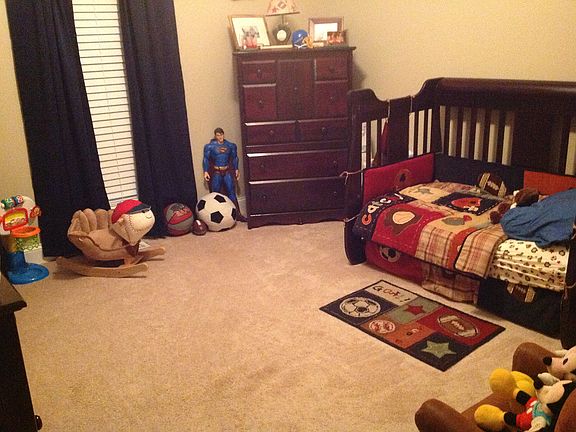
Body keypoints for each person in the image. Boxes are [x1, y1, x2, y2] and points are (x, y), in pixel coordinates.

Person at [203, 128, 247, 222]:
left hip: (226, 171)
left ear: (223, 134)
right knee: (215, 193)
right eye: (218, 135)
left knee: (231, 192)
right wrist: (206, 171)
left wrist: (236, 169)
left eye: (221, 134)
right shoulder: (210, 146)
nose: (220, 137)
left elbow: (235, 158)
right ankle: (214, 216)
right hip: (217, 172)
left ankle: (238, 214)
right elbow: (206, 159)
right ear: (215, 136)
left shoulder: (230, 145)